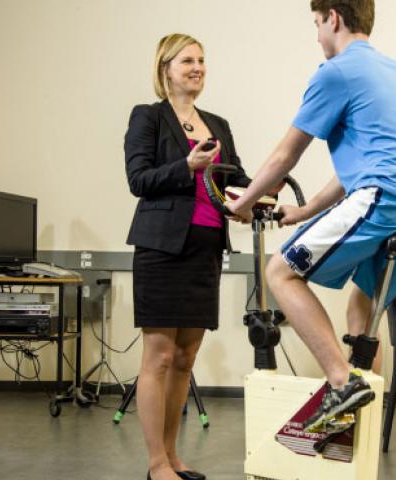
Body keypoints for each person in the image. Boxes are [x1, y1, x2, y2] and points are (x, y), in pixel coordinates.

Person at [225, 0, 396, 434]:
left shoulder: (336, 72)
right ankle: (362, 421)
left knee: (280, 273)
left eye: (316, 24)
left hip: (388, 199)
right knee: (361, 303)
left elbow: (286, 153)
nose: (316, 36)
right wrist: (305, 211)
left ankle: (341, 383)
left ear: (333, 17)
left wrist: (244, 199)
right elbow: (362, 167)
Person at [124, 33, 252, 480]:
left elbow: (238, 178)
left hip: (205, 248)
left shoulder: (218, 123)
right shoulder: (149, 117)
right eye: (187, 61)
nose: (197, 67)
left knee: (185, 357)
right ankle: (156, 462)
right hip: (161, 249)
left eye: (202, 60)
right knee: (158, 356)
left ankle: (174, 456)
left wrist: (255, 199)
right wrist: (188, 168)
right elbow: (138, 179)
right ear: (165, 69)